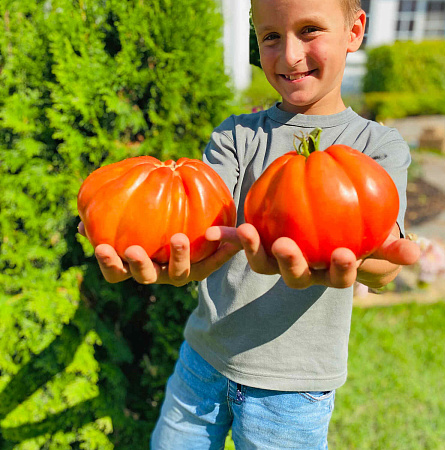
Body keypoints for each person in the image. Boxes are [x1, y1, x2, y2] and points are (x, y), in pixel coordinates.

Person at [80, 0, 420, 447]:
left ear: (355, 31)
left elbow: (385, 254)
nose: (289, 55)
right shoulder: (236, 136)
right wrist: (165, 252)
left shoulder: (377, 146)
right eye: (271, 36)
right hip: (202, 358)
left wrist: (380, 264)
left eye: (310, 30)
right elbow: (201, 225)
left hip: (292, 388)